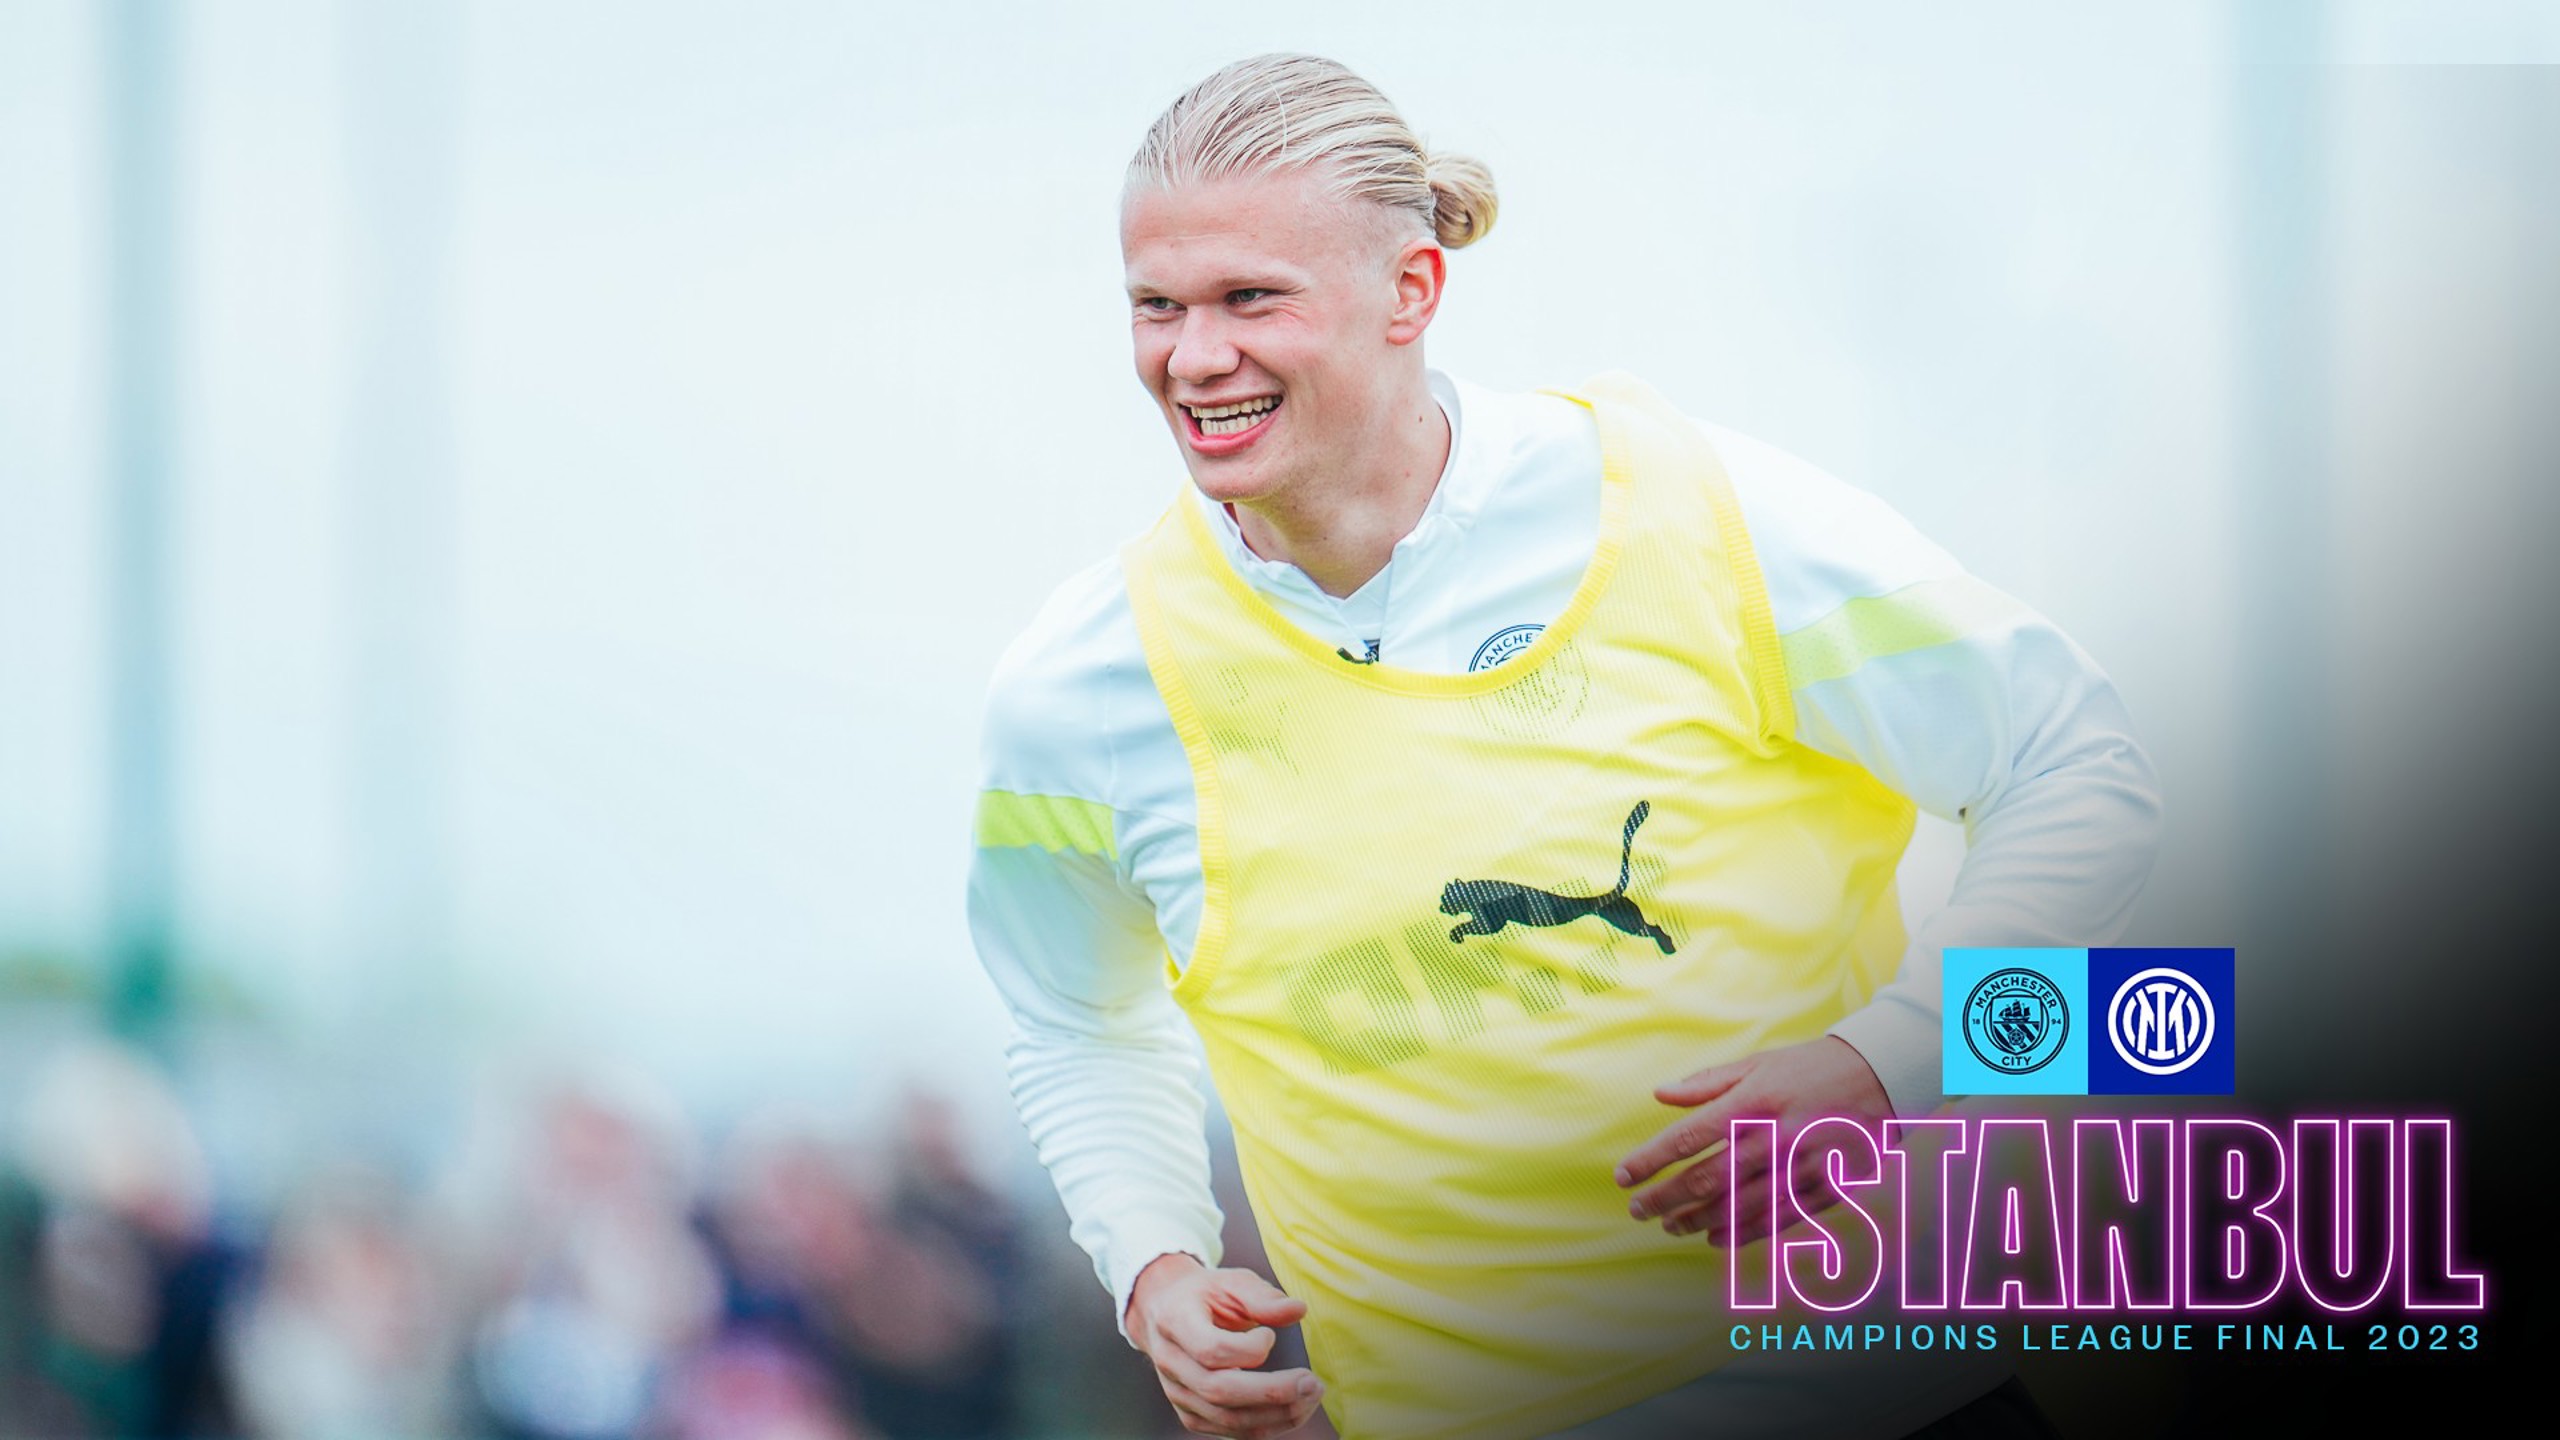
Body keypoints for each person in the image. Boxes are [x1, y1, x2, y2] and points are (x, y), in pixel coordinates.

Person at [967, 53, 2161, 1440]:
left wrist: (1889, 1064)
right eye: (1156, 306)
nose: (1193, 356)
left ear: (1413, 290)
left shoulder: (1695, 515)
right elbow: (1071, 1011)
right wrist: (1155, 1260)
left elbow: (2080, 768)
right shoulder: (1081, 684)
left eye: (1251, 299)